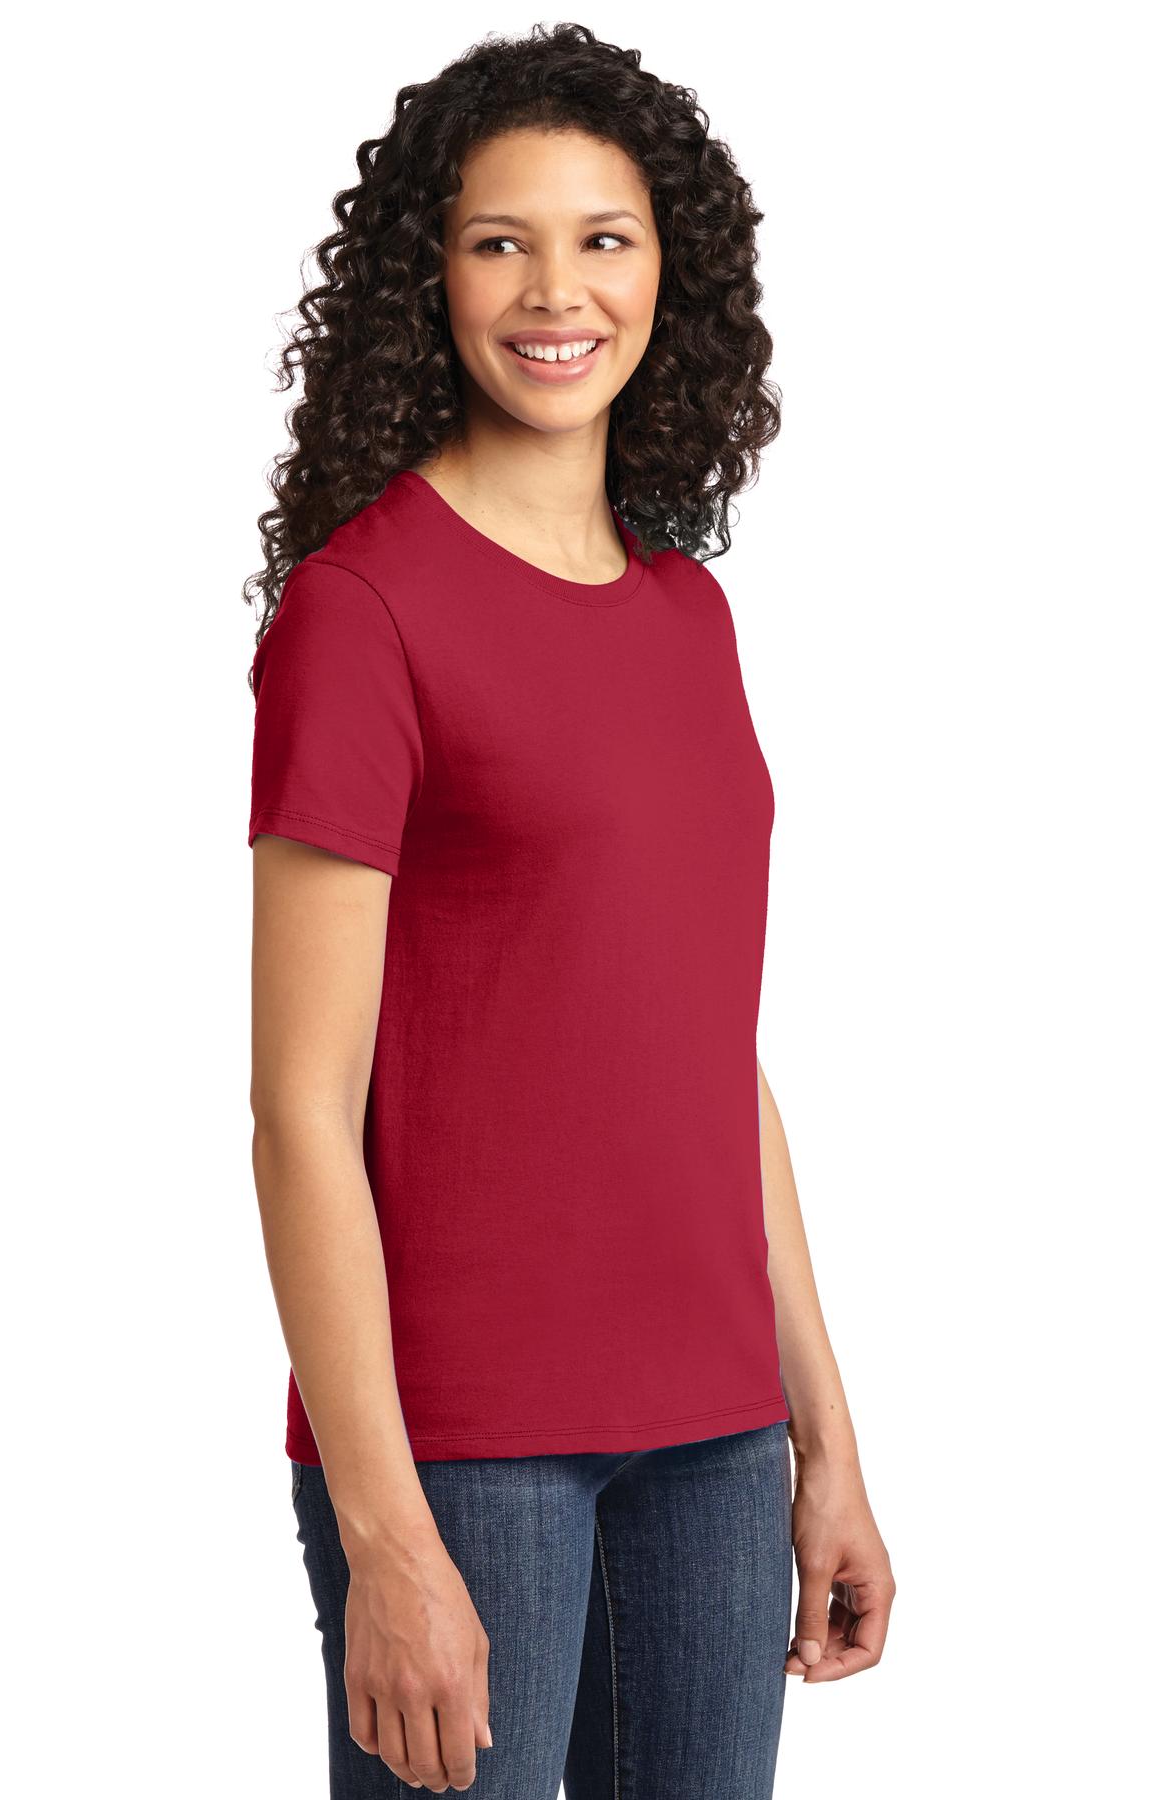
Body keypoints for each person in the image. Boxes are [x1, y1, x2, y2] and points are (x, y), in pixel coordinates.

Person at [245, 22, 894, 1798]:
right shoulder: (362, 614)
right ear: (428, 277)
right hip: (465, 1451)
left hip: (715, 1440)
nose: (557, 292)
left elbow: (709, 1055)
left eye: (604, 238)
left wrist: (825, 1437)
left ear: (671, 270)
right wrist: (385, 1533)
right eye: (498, 241)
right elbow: (300, 1109)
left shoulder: (688, 613)